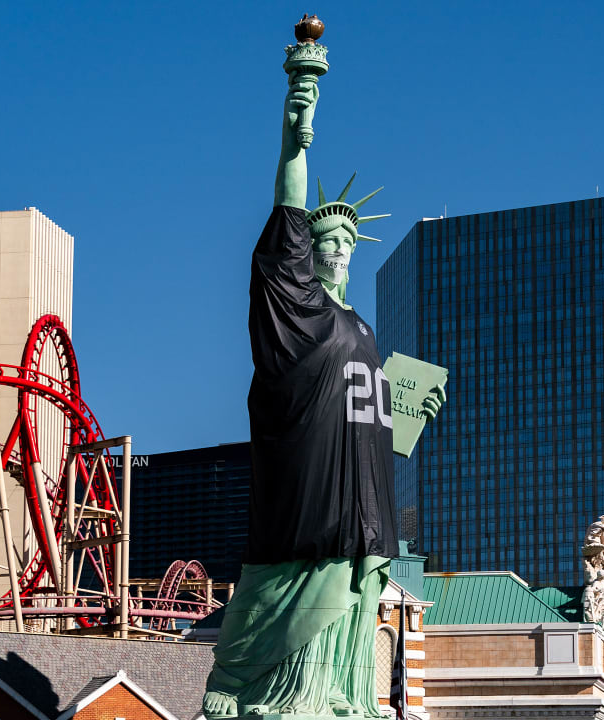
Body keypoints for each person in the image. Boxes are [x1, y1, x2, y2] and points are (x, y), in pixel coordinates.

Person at [202, 67, 444, 719]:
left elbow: (366, 419)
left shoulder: (361, 328)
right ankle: (293, 697)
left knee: (349, 652)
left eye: (345, 241)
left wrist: (409, 410)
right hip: (307, 513)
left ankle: (339, 697)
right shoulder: (298, 311)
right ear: (305, 252)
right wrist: (294, 136)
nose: (336, 248)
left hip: (363, 516)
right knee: (298, 642)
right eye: (324, 239)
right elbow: (287, 204)